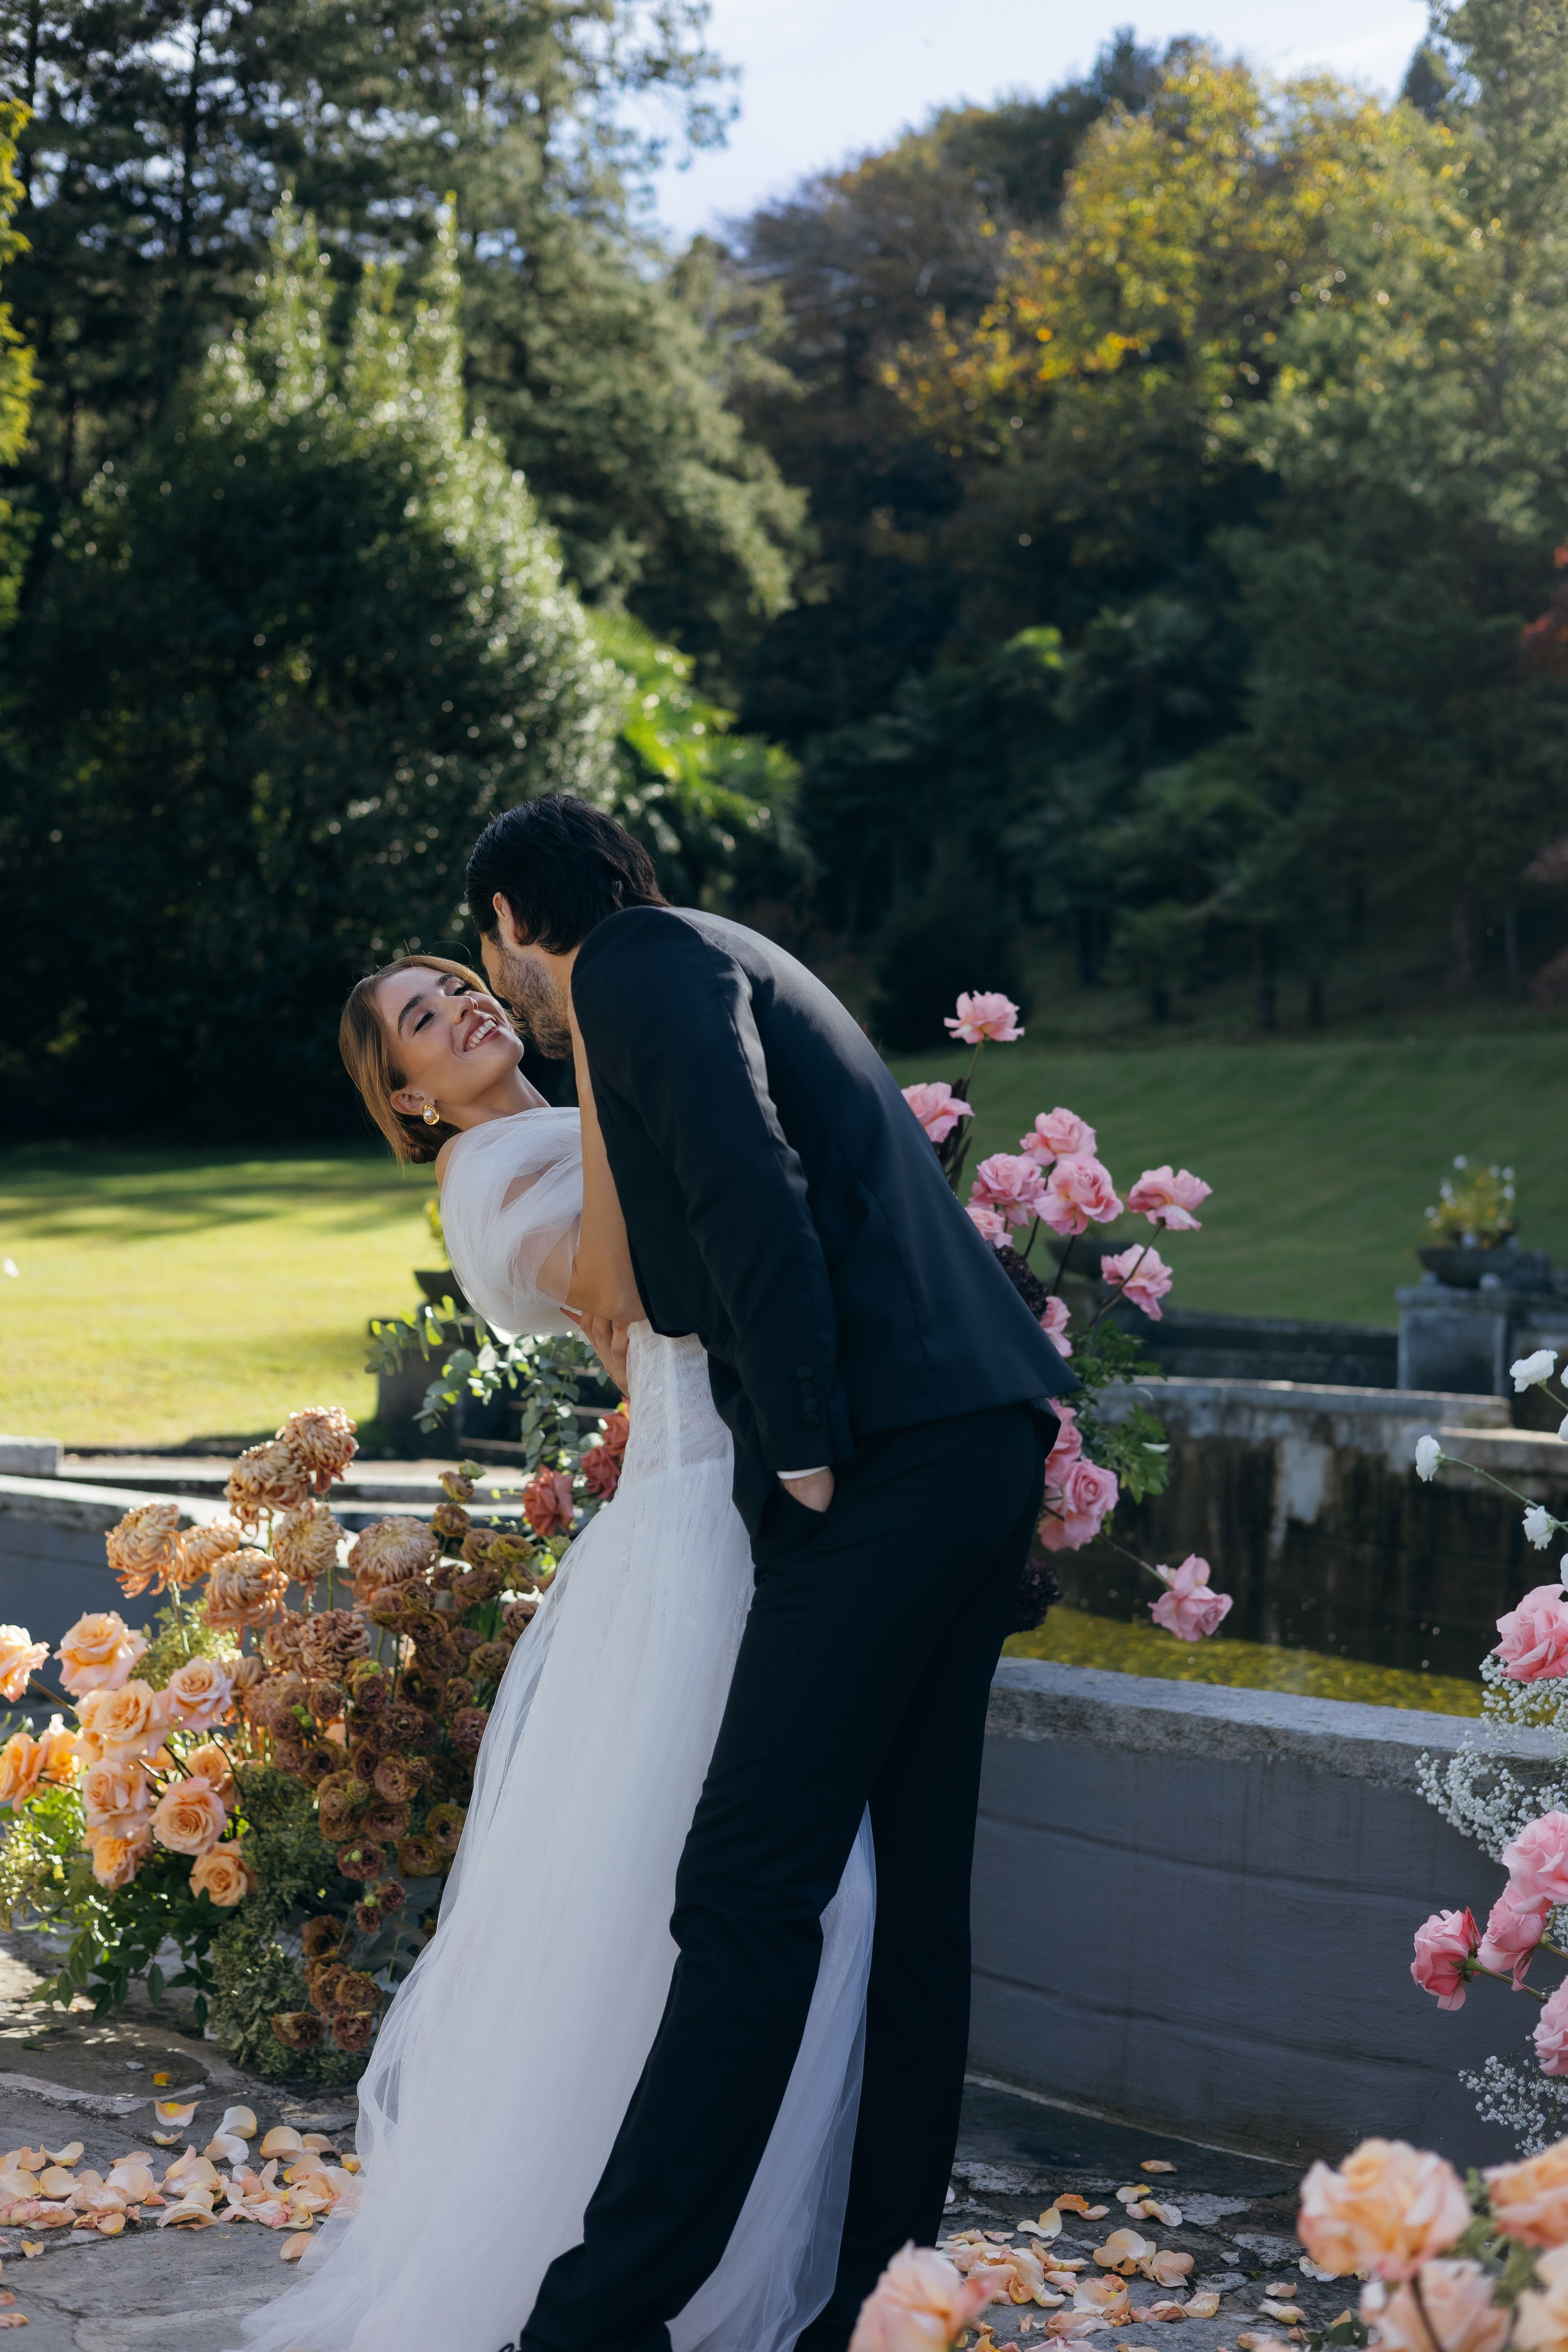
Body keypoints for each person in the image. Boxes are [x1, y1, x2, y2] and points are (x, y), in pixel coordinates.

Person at [466, 796, 1076, 2352]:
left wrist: (798, 1438)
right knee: (912, 1910)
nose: (504, 992)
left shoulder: (629, 965)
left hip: (878, 1462)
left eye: (487, 957)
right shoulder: (715, 942)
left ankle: (596, 2322)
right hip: (976, 1439)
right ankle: (881, 2308)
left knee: (744, 1890)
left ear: (511, 924)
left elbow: (748, 1181)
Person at [233, 952, 876, 2352]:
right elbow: (607, 1278)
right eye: (423, 1020)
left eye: (459, 982)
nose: (463, 1005)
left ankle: (715, 2220)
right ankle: (614, 2246)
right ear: (409, 1101)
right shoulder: (478, 1176)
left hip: (741, 1491)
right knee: (672, 1888)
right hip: (692, 1526)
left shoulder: (568, 1115)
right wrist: (598, 1069)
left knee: (728, 1887)